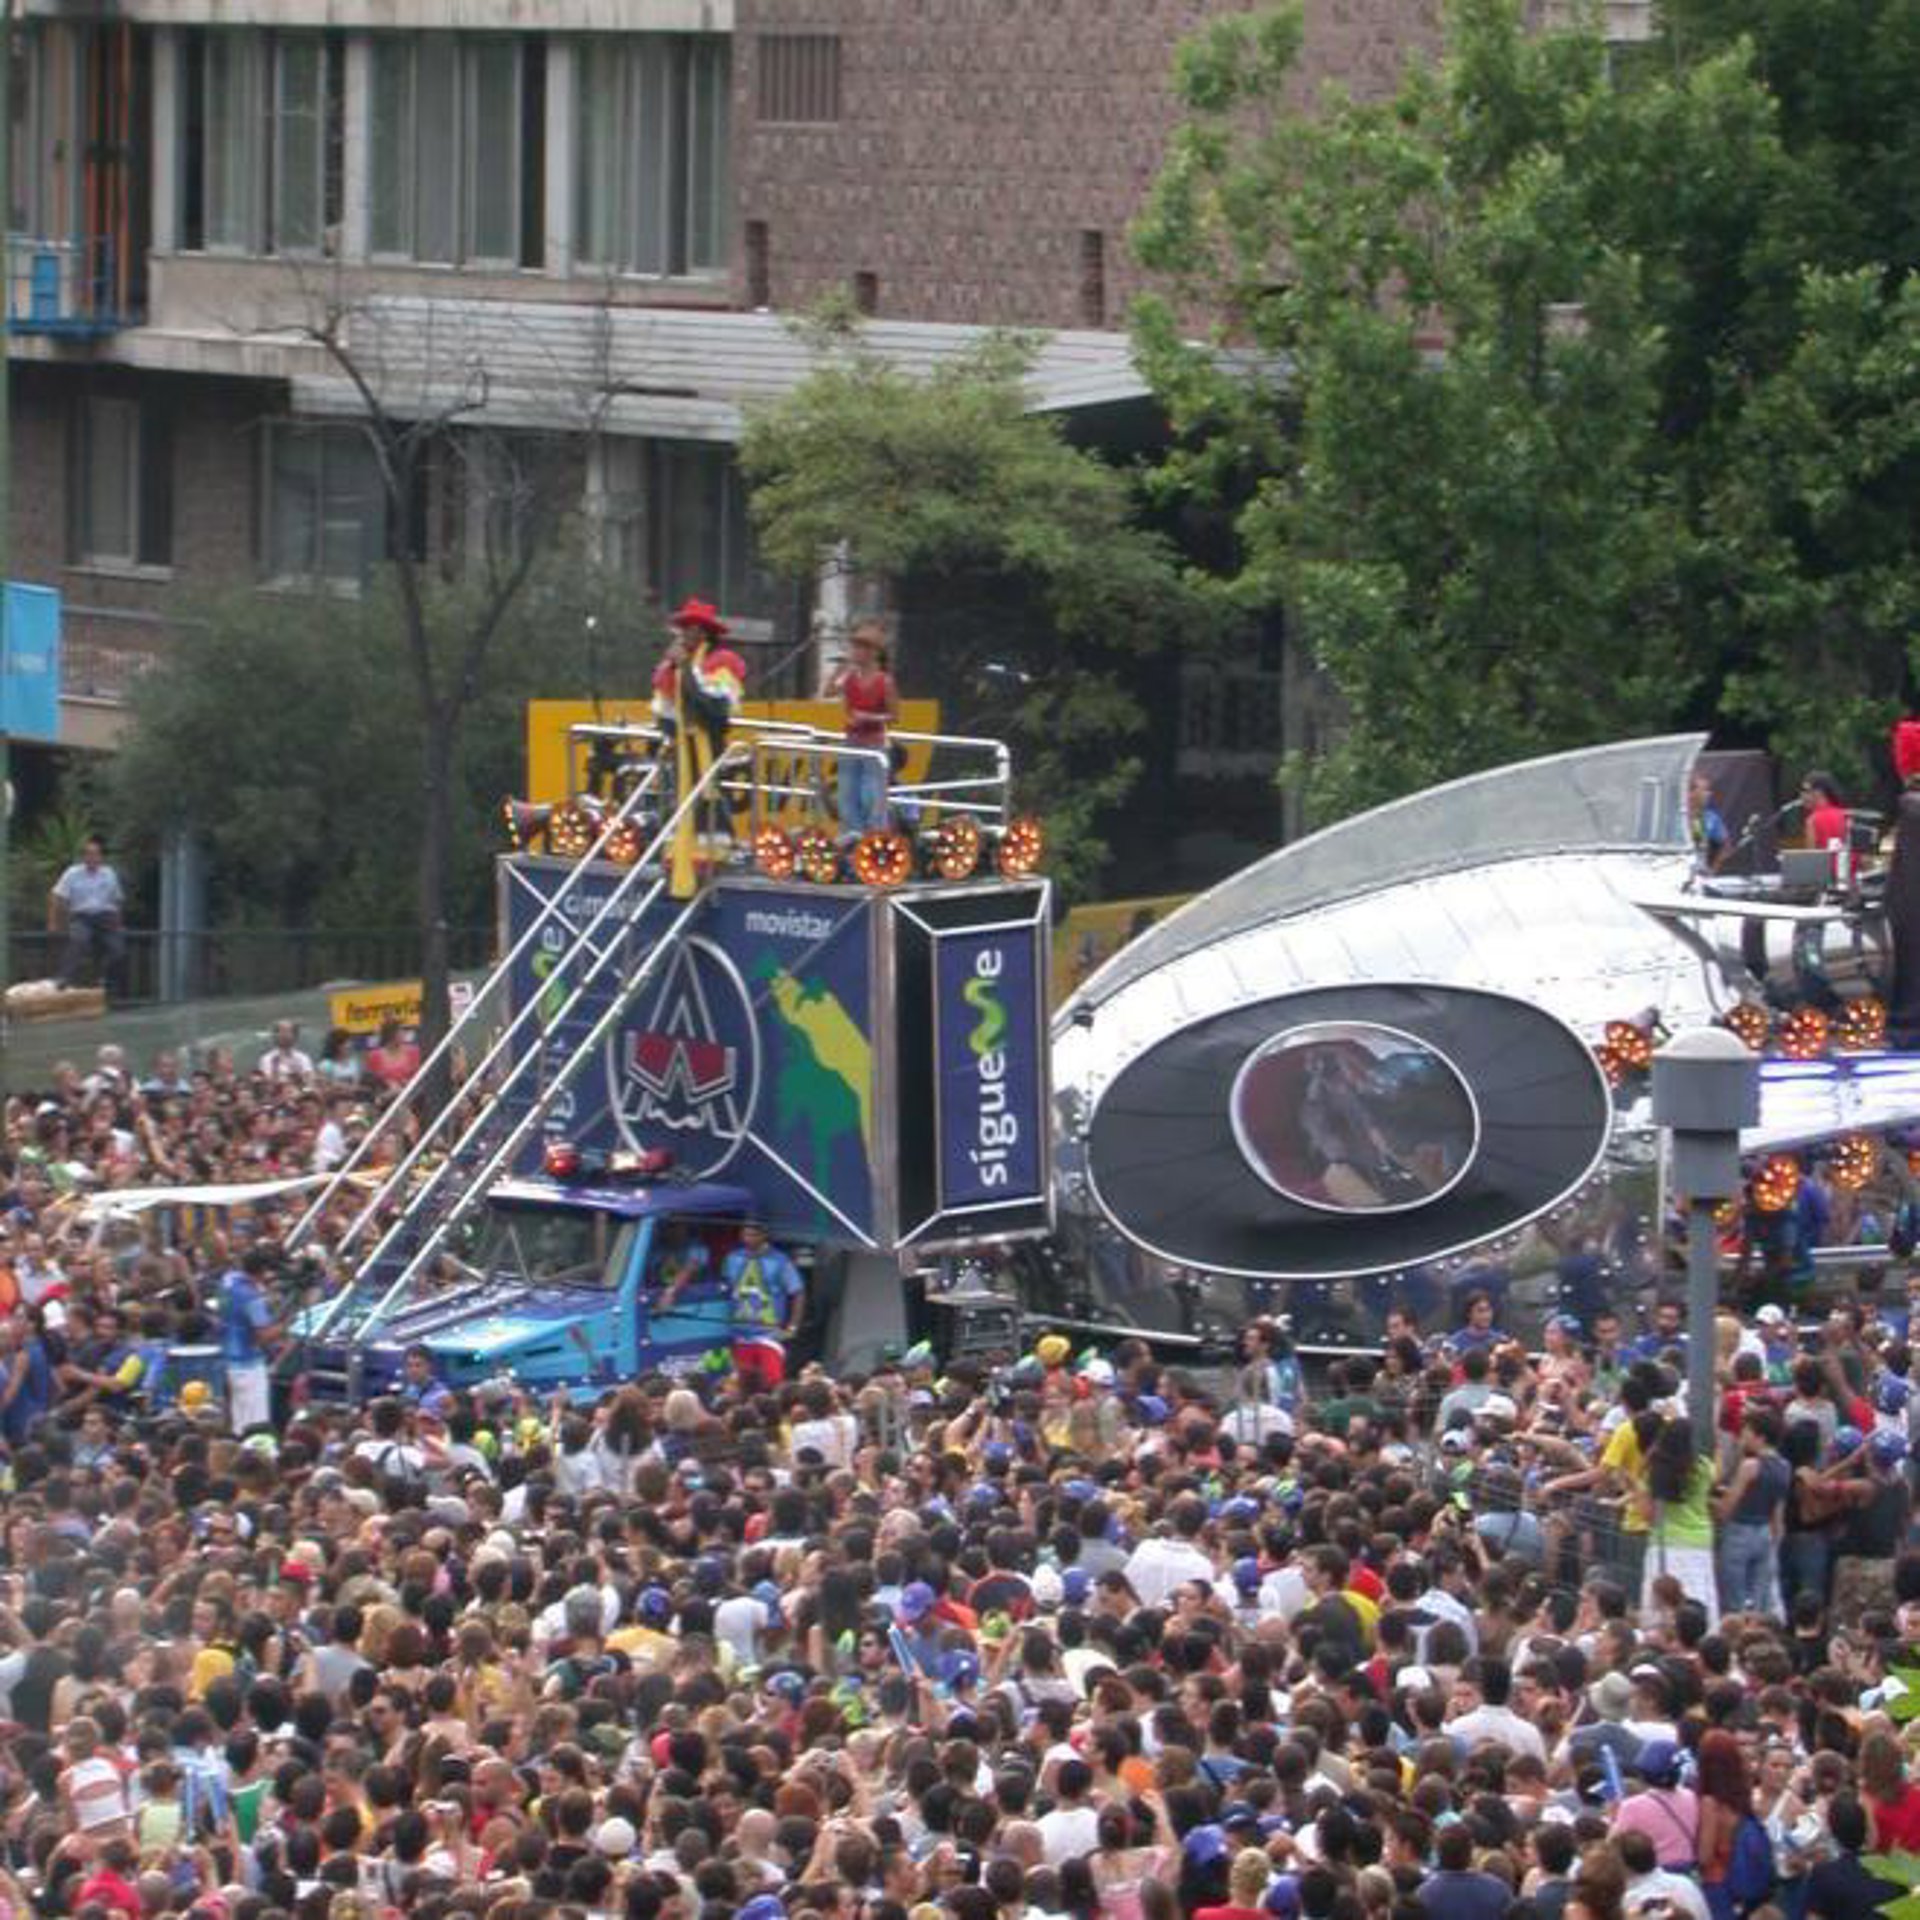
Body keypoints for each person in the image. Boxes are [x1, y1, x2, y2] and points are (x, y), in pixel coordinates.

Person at [654, 597, 747, 896]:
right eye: (683, 629)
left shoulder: (721, 663)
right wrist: (674, 669)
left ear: (705, 633)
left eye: (691, 629)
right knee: (681, 802)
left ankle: (713, 856)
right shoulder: (677, 668)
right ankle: (680, 858)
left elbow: (713, 707)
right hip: (683, 748)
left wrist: (685, 669)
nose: (684, 635)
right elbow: (666, 712)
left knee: (710, 798)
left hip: (709, 745)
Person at [825, 619, 899, 833]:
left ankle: (875, 838)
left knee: (871, 797)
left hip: (874, 744)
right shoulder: (850, 677)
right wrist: (839, 669)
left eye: (863, 647)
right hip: (851, 741)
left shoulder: (884, 681)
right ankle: (852, 838)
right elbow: (828, 692)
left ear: (874, 652)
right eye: (856, 646)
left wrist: (869, 717)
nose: (857, 651)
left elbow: (894, 716)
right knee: (847, 796)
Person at [714, 1220, 803, 1391]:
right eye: (745, 1234)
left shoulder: (780, 1261)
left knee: (772, 1383)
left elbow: (798, 1292)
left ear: (764, 1236)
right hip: (740, 1334)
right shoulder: (733, 1258)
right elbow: (725, 1285)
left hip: (769, 1335)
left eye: (753, 1235)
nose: (748, 1239)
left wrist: (792, 1327)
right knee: (741, 1385)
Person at [48, 834, 124, 991]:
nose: (92, 858)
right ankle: (64, 977)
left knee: (118, 950)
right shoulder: (72, 873)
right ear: (83, 857)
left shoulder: (109, 873)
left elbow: (116, 899)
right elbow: (57, 896)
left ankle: (104, 978)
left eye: (95, 854)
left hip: (105, 916)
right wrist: (53, 921)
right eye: (88, 854)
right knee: (79, 940)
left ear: (101, 857)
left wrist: (118, 922)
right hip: (82, 916)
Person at [219, 1245, 279, 1433]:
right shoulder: (252, 1298)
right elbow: (264, 1336)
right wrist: (287, 1324)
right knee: (255, 1423)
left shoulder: (227, 1281)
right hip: (248, 1364)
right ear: (263, 1270)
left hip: (227, 1358)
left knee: (238, 1420)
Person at [1800, 774, 1850, 852]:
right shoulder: (1843, 815)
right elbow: (1839, 849)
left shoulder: (1812, 820)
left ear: (1819, 792)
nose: (1802, 795)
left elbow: (1810, 856)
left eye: (1806, 791)